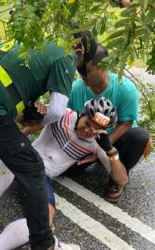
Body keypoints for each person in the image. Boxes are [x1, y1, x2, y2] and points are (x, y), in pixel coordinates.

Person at [0, 35, 90, 249]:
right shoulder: (66, 56)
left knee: (6, 144)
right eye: (82, 62)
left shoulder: (38, 40)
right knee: (32, 166)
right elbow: (56, 111)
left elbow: (11, 81)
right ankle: (44, 244)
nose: (79, 67)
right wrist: (39, 119)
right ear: (79, 50)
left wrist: (27, 110)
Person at [0, 97, 125, 250]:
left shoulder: (98, 144)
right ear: (82, 114)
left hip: (42, 177)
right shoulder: (63, 115)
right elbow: (23, 127)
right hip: (28, 161)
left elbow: (121, 179)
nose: (90, 131)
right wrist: (35, 110)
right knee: (12, 152)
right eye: (88, 123)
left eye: (97, 130)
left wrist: (110, 150)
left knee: (44, 224)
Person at [65, 44, 152, 203]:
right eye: (80, 70)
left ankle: (116, 178)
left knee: (139, 136)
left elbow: (125, 124)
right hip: (87, 140)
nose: (83, 75)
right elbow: (66, 119)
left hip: (113, 141)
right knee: (65, 172)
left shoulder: (125, 88)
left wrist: (102, 149)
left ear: (104, 66)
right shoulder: (76, 89)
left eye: (88, 71)